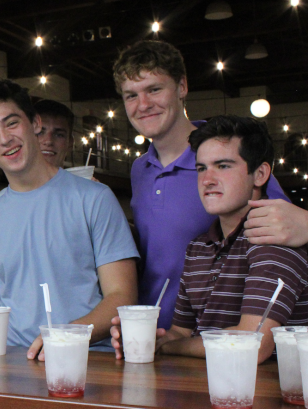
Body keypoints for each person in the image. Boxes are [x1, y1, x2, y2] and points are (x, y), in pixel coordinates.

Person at [113, 40, 289, 329]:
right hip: (156, 333)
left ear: (182, 87)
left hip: (221, 336)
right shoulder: (139, 169)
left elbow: (287, 227)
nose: (142, 105)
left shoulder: (223, 155)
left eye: (154, 89)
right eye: (131, 95)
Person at [0, 81, 139, 360]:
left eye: (11, 123)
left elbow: (122, 296)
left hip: (88, 360)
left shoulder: (94, 199)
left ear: (34, 123)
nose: (5, 139)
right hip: (14, 365)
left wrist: (68, 335)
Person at [111, 115, 308, 364]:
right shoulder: (197, 248)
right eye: (201, 168)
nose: (207, 179)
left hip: (266, 394)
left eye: (223, 166)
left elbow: (254, 343)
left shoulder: (273, 240)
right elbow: (181, 332)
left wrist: (170, 348)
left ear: (259, 174)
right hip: (206, 390)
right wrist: (148, 339)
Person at [0, 99, 75, 201]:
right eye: (41, 132)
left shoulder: (86, 194)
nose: (49, 141)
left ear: (70, 143)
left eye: (59, 135)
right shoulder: (4, 199)